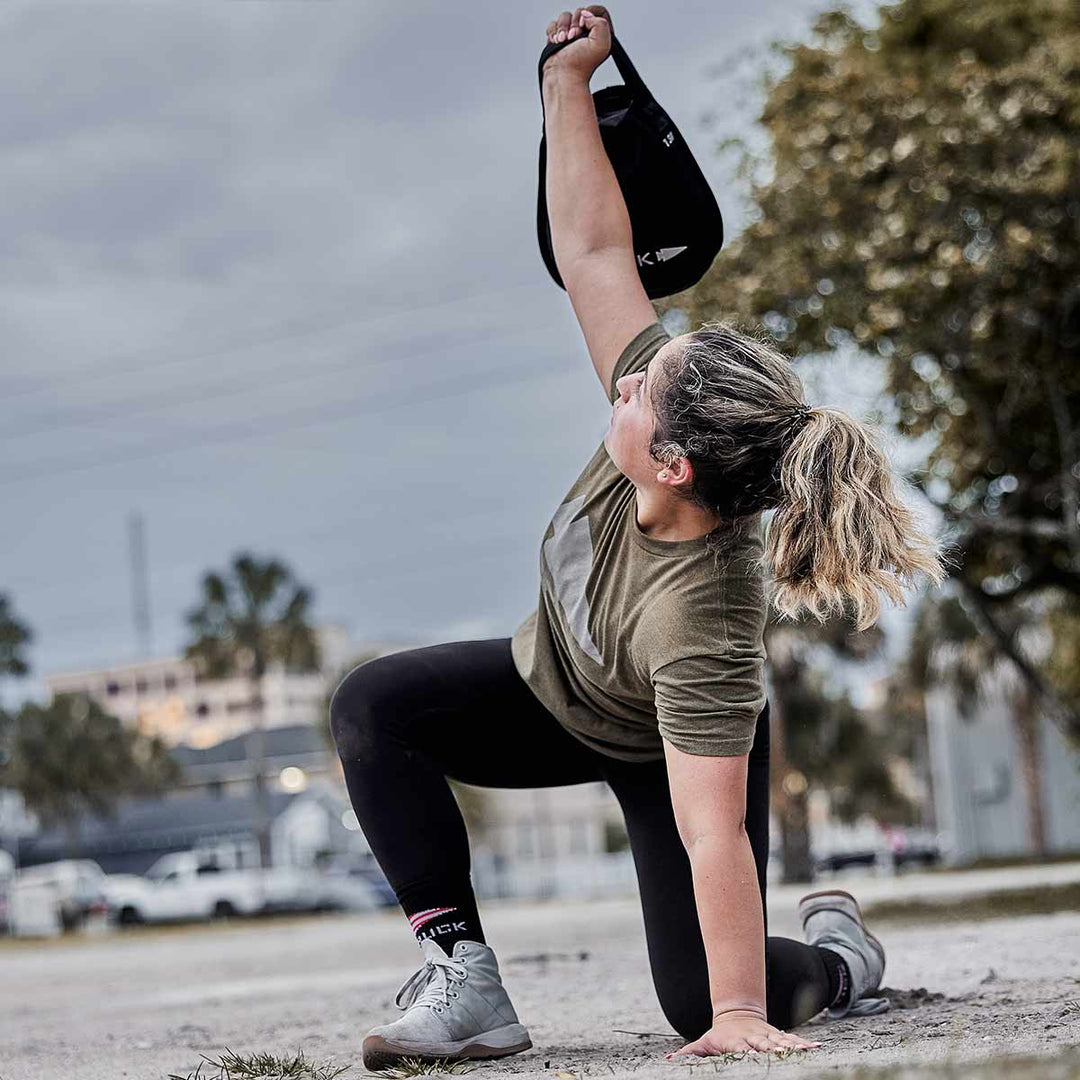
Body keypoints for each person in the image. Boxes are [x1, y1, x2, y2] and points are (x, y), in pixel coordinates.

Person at [330, 6, 944, 1069]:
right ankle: (465, 983)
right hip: (555, 690)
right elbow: (594, 248)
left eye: (637, 394)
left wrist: (743, 1015)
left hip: (669, 752)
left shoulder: (708, 618)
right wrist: (568, 85)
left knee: (702, 999)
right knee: (375, 706)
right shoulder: (664, 424)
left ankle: (838, 962)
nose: (621, 382)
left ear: (673, 465)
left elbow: (713, 836)